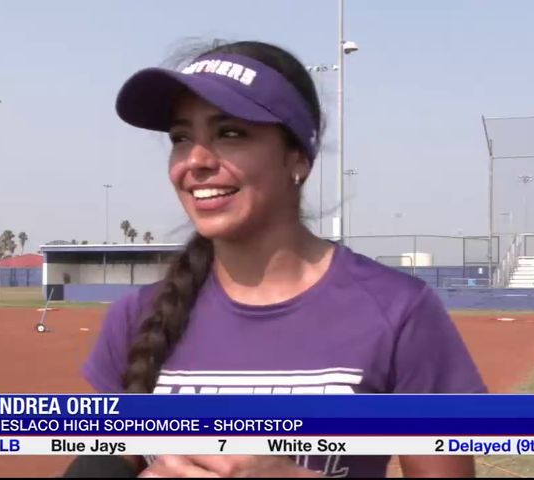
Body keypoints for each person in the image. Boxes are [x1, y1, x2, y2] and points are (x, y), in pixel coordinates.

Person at [78, 39, 487, 478]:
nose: (195, 161)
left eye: (230, 133)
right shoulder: (137, 317)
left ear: (297, 157)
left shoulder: (399, 311)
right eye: (181, 138)